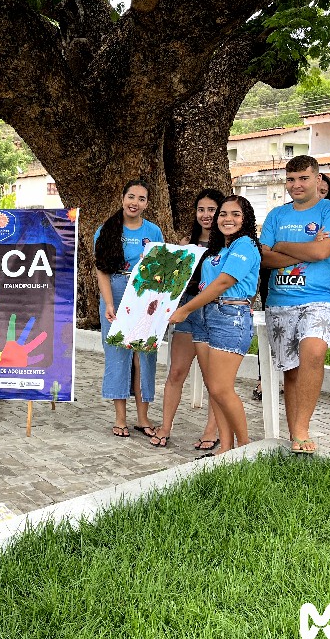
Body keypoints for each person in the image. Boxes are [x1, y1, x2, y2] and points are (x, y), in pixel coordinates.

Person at [260, 155, 330, 454]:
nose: (296, 185)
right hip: (280, 301)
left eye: (303, 178)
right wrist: (307, 250)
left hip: (320, 299)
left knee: (314, 352)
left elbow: (323, 251)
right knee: (292, 371)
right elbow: (264, 258)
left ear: (317, 179)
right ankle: (295, 435)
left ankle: (301, 429)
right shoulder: (276, 215)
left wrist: (282, 246)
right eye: (290, 179)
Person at [170, 196, 261, 453]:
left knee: (221, 388)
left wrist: (185, 309)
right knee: (214, 387)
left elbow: (223, 283)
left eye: (235, 214)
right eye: (223, 214)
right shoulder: (220, 247)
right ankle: (226, 448)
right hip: (207, 316)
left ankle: (245, 448)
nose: (227, 219)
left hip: (229, 315)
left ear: (246, 219)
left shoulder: (244, 244)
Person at [155, 188, 224, 450]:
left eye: (212, 210)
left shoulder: (229, 245)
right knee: (176, 372)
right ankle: (165, 427)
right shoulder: (186, 244)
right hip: (186, 310)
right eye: (201, 210)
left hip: (214, 311)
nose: (206, 215)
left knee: (212, 378)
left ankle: (211, 431)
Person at [94, 180, 162, 437]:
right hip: (115, 291)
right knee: (118, 354)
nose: (135, 202)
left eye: (141, 198)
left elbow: (161, 268)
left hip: (145, 295)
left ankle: (143, 418)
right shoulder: (106, 230)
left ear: (147, 203)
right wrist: (109, 303)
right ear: (122, 198)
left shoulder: (154, 232)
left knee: (143, 355)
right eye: (131, 196)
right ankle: (120, 419)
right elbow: (101, 270)